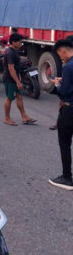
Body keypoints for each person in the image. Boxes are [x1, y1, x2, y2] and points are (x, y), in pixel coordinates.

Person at [49, 38, 73, 190]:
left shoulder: (69, 67)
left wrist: (58, 84)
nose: (60, 58)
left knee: (65, 143)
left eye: (60, 55)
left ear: (63, 51)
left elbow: (63, 93)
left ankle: (66, 177)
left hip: (69, 109)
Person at [2, 33, 37, 126]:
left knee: (20, 97)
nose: (21, 44)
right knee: (9, 98)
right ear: (13, 42)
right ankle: (7, 118)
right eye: (19, 42)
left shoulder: (15, 51)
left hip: (15, 77)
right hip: (9, 79)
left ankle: (24, 117)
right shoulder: (9, 52)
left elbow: (16, 67)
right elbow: (11, 68)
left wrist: (19, 79)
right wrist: (17, 81)